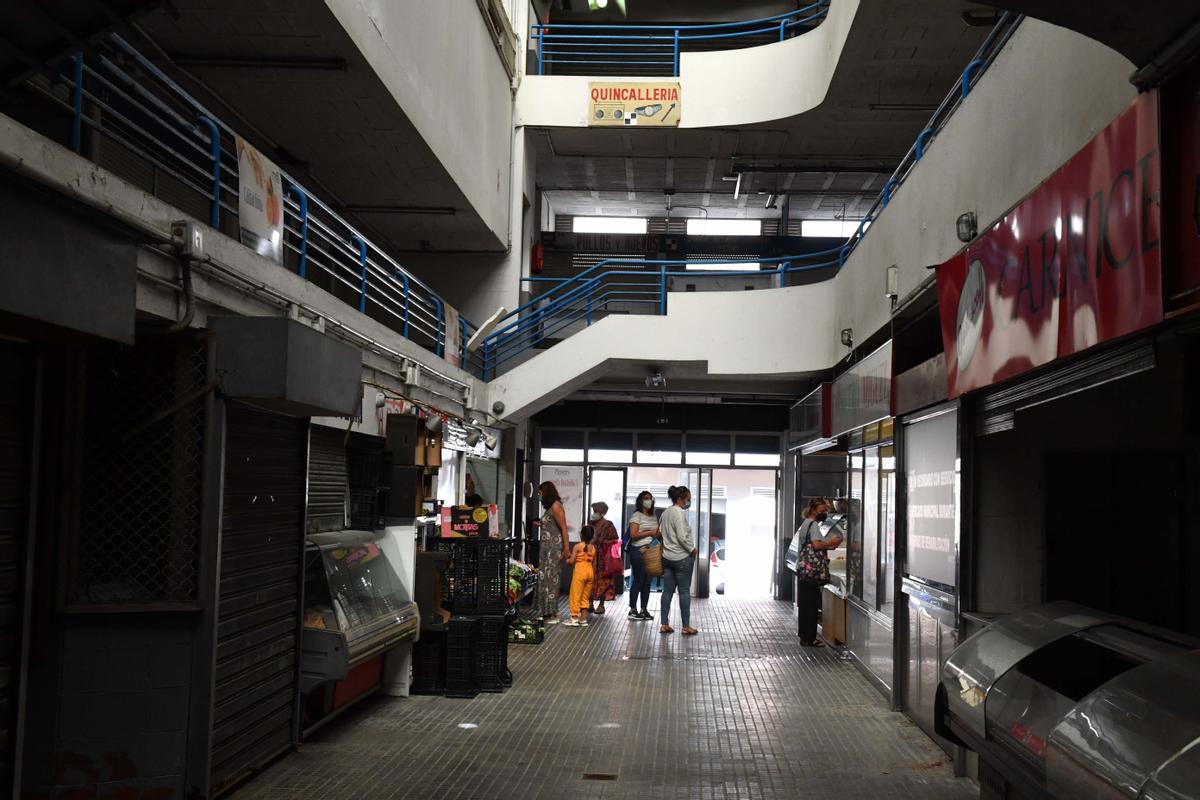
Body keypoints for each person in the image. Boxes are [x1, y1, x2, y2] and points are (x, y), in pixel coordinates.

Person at [796, 497, 843, 647]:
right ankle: (810, 637)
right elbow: (816, 545)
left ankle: (805, 637)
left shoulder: (805, 523)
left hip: (804, 569)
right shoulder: (814, 524)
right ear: (814, 510)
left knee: (805, 605)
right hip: (812, 571)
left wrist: (827, 545)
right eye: (823, 510)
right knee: (811, 605)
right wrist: (832, 542)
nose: (825, 513)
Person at [658, 485, 698, 636]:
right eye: (688, 498)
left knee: (667, 591)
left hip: (667, 558)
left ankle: (664, 624)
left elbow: (659, 533)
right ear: (681, 498)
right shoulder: (679, 513)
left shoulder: (666, 512)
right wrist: (692, 549)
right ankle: (686, 626)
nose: (690, 501)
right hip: (682, 558)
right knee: (684, 592)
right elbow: (682, 536)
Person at [535, 481, 570, 624]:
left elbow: (563, 528)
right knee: (546, 579)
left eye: (540, 492)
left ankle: (552, 613)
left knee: (551, 581)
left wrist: (566, 548)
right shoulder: (550, 508)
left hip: (553, 549)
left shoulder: (556, 506)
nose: (539, 495)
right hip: (546, 549)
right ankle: (548, 612)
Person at [626, 490, 661, 620]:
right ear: (640, 500)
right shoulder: (637, 515)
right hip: (639, 551)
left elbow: (656, 532)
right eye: (646, 498)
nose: (649, 500)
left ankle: (644, 609)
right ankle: (633, 609)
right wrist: (650, 532)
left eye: (650, 498)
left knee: (647, 582)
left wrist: (657, 533)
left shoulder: (653, 516)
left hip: (651, 551)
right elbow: (633, 535)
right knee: (639, 580)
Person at [587, 501, 620, 615]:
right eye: (594, 511)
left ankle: (601, 604)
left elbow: (615, 539)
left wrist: (602, 542)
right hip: (591, 556)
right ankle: (589, 602)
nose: (594, 513)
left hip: (603, 558)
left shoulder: (608, 525)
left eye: (596, 511)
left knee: (603, 580)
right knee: (590, 578)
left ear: (602, 512)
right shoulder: (590, 524)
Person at [564, 525, 597, 627]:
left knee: (575, 595)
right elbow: (594, 564)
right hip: (590, 572)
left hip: (580, 572)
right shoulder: (593, 548)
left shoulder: (577, 546)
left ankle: (574, 618)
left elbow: (572, 561)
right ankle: (583, 619)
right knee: (585, 597)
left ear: (581, 535)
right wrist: (593, 575)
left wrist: (567, 559)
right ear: (592, 536)